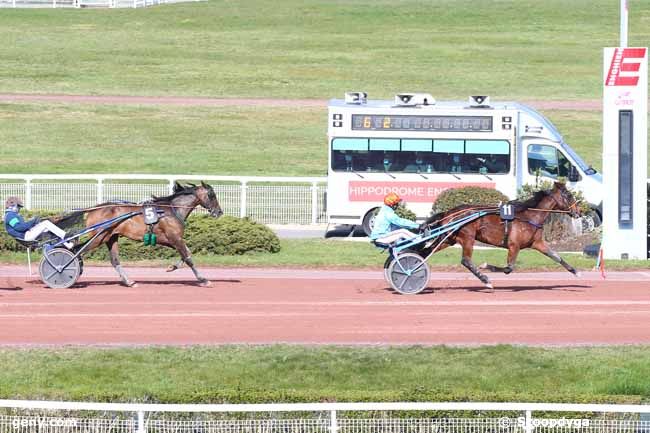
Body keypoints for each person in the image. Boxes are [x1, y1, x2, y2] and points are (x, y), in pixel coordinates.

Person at [4, 196, 71, 247]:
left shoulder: (12, 215)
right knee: (46, 224)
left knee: (47, 228)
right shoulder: (10, 216)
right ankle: (65, 236)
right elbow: (20, 227)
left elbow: (23, 226)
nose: (19, 209)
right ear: (13, 206)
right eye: (18, 207)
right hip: (25, 237)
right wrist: (33, 221)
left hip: (26, 234)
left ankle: (68, 244)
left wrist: (35, 222)